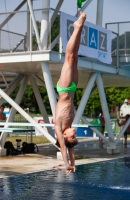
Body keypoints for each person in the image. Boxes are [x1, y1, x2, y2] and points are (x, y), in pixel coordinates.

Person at [55, 12, 86, 174]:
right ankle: (79, 28)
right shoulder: (69, 127)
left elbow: (63, 147)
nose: (74, 134)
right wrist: (74, 164)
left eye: (72, 137)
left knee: (69, 57)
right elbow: (71, 148)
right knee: (75, 59)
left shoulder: (59, 128)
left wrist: (66, 163)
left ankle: (77, 27)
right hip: (72, 88)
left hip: (64, 88)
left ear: (65, 136)